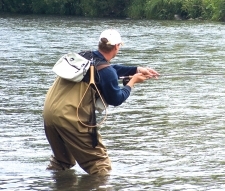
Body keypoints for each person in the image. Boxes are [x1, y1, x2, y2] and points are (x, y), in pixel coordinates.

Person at [43, 29, 159, 175]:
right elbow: (116, 99)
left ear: (100, 44)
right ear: (117, 47)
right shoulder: (106, 71)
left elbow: (107, 70)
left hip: (49, 113)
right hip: (69, 116)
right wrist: (133, 82)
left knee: (62, 161)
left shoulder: (82, 56)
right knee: (100, 165)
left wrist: (136, 69)